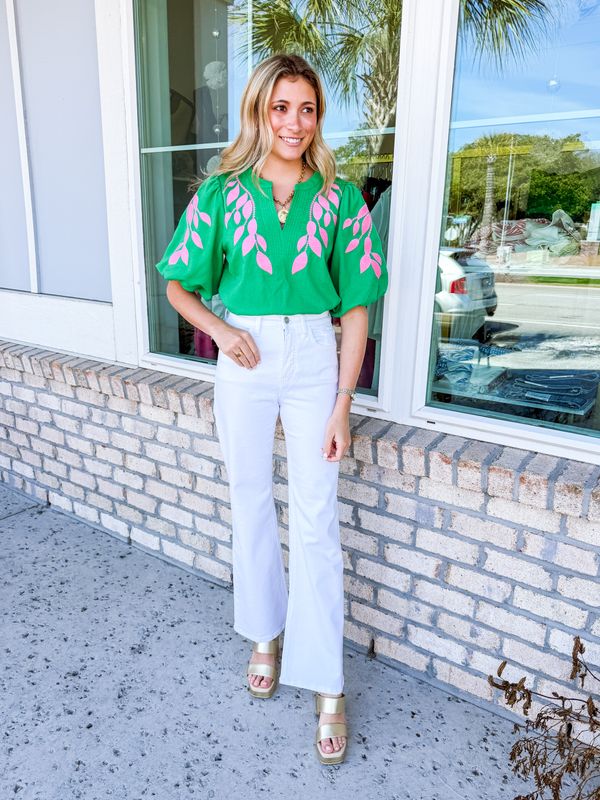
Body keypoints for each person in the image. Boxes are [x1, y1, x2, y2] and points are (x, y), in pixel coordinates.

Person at [155, 53, 389, 765]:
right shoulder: (223, 194)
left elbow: (356, 308)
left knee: (317, 520)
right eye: (280, 107)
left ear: (318, 118)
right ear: (259, 111)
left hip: (316, 359)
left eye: (307, 108)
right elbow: (177, 285)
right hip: (245, 361)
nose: (294, 122)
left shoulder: (341, 198)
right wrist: (224, 332)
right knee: (250, 498)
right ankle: (265, 634)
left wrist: (344, 402)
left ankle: (328, 684)